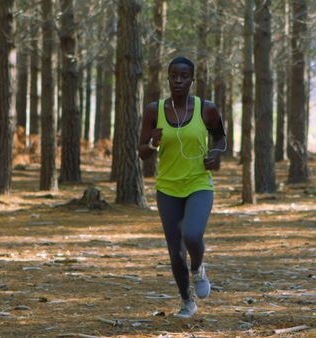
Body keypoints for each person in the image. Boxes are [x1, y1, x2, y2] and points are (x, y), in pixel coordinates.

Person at [138, 56, 226, 318]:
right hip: (167, 188)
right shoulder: (154, 110)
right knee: (175, 253)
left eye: (184, 76)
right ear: (167, 77)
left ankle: (198, 267)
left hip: (199, 184)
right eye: (173, 75)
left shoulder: (206, 109)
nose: (178, 81)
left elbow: (221, 137)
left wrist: (216, 154)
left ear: (192, 80)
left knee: (192, 234)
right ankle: (187, 301)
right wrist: (152, 143)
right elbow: (142, 152)